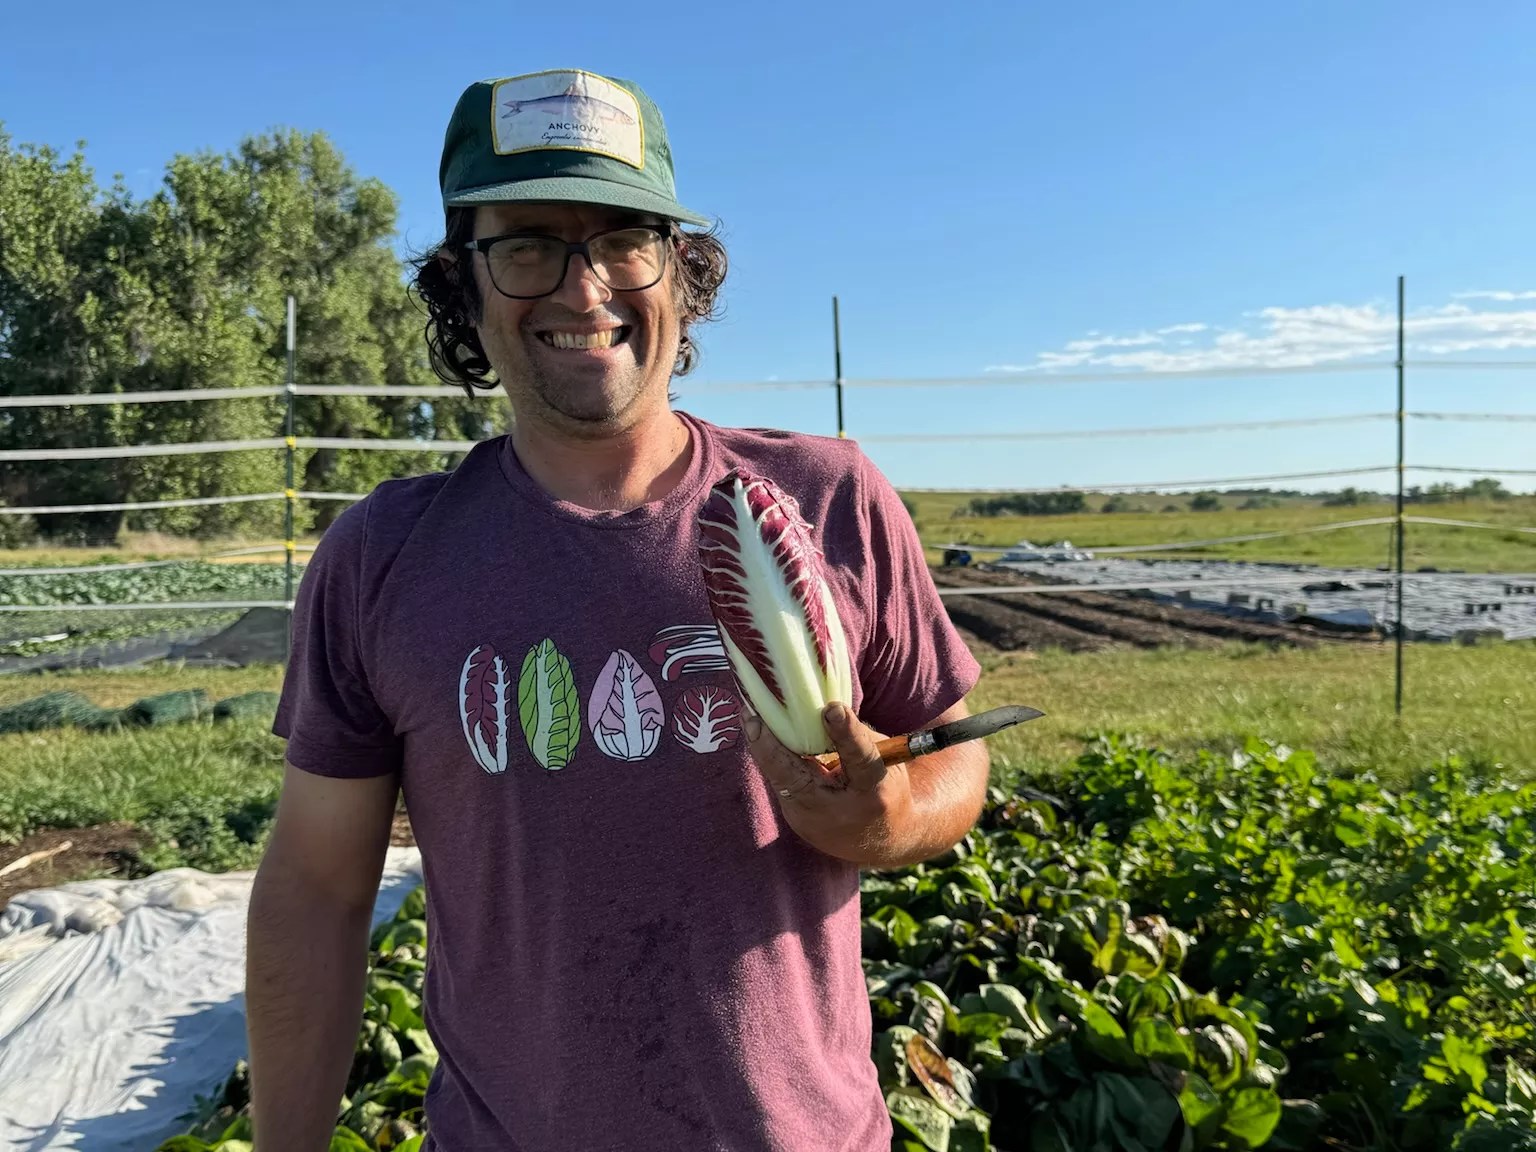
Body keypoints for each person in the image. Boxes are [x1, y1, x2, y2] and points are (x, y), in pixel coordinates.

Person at [247, 67, 987, 1152]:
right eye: (528, 244)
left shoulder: (826, 499)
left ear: (682, 272)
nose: (583, 289)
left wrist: (887, 819)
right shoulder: (383, 557)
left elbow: (955, 755)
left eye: (624, 238)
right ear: (464, 285)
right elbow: (315, 887)